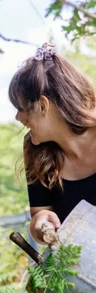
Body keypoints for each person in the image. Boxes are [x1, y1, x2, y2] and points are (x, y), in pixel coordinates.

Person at [9, 43, 96, 245]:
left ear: (42, 105)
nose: (17, 117)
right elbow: (40, 214)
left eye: (21, 108)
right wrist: (40, 224)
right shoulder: (35, 149)